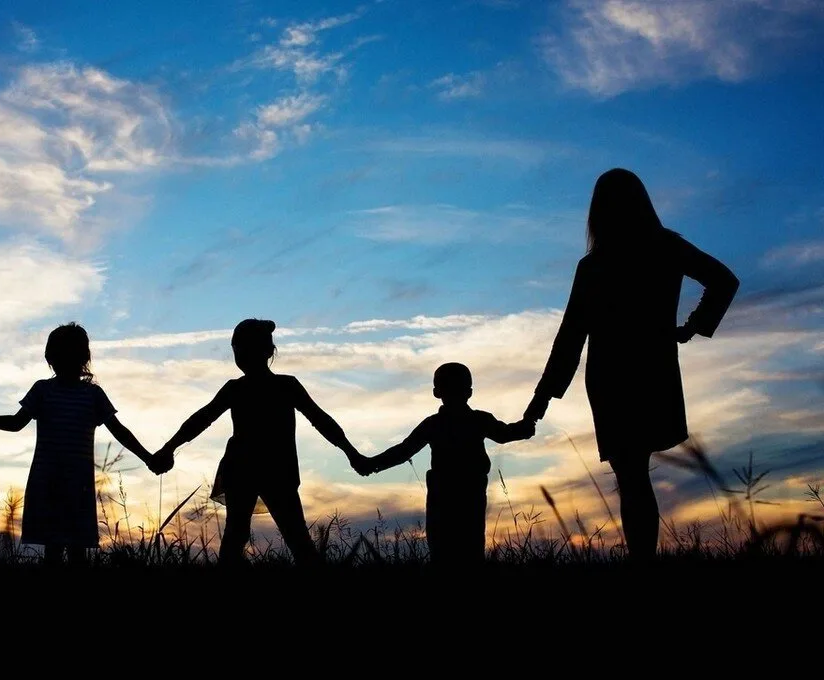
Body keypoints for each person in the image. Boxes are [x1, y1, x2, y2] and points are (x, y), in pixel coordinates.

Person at [524, 168, 739, 562]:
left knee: (632, 475)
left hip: (611, 376)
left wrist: (540, 402)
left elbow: (570, 338)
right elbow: (724, 281)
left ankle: (642, 563)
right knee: (635, 475)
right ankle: (644, 562)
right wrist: (692, 327)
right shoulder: (665, 246)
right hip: (653, 369)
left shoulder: (595, 265)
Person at [150, 319, 367, 567]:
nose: (240, 355)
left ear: (267, 352)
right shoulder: (258, 387)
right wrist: (168, 447)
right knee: (264, 538)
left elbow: (321, 420)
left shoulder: (276, 387)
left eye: (243, 349)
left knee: (275, 538)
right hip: (255, 470)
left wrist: (352, 453)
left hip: (264, 470)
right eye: (237, 349)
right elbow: (201, 419)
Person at [0, 323, 157, 566]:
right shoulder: (42, 390)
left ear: (82, 358)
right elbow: (17, 423)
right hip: (48, 481)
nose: (64, 359)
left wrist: (148, 457)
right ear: (52, 358)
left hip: (78, 485)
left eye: (70, 353)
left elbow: (119, 431)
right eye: (60, 354)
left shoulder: (93, 395)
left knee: (76, 550)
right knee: (54, 548)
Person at [358, 363, 534, 564]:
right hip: (462, 491)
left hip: (452, 492)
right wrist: (525, 427)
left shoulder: (435, 424)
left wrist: (372, 464)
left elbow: (404, 450)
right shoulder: (475, 420)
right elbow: (506, 434)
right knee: (467, 545)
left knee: (448, 546)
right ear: (469, 392)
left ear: (436, 392)